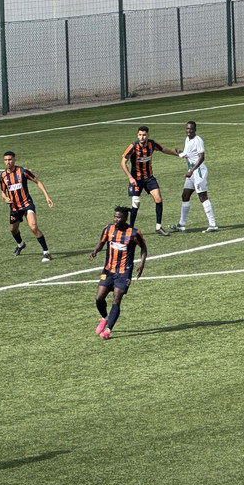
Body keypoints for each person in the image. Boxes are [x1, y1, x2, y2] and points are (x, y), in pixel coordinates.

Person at [89, 206, 147, 340]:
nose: (116, 219)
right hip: (108, 270)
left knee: (116, 298)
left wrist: (142, 264)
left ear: (125, 218)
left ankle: (108, 330)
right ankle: (104, 318)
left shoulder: (134, 233)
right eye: (115, 216)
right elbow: (101, 242)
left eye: (119, 217)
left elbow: (143, 248)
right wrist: (95, 251)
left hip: (124, 273)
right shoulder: (108, 229)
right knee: (99, 298)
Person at [120, 126, 178, 236]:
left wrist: (176, 153)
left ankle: (158, 227)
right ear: (137, 135)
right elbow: (123, 162)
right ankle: (131, 228)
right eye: (140, 135)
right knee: (136, 204)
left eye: (144, 135)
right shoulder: (133, 146)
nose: (142, 137)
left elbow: (163, 149)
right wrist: (130, 177)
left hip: (149, 178)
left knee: (158, 198)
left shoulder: (152, 144)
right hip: (136, 180)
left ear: (148, 135)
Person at [0, 151, 54, 262]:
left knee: (33, 227)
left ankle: (46, 253)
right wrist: (5, 198)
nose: (8, 162)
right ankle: (21, 244)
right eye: (6, 160)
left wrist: (47, 196)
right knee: (13, 230)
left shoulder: (22, 171)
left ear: (14, 160)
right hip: (14, 208)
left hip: (27, 204)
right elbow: (2, 191)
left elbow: (38, 181)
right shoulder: (3, 176)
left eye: (10, 159)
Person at [172, 121, 218, 233]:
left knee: (202, 197)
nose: (189, 131)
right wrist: (181, 152)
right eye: (187, 128)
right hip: (191, 171)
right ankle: (181, 224)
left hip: (198, 171)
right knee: (185, 195)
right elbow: (189, 154)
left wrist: (191, 171)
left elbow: (201, 157)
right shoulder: (187, 139)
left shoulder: (198, 140)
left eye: (191, 129)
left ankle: (213, 225)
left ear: (195, 130)